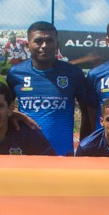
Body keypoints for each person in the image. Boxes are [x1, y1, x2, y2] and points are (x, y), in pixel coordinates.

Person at [7, 21, 92, 155]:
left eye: (49, 41)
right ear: (28, 46)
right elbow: (3, 108)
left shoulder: (73, 73)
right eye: (38, 41)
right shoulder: (15, 73)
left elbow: (87, 112)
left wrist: (85, 147)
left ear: (57, 45)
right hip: (27, 153)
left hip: (62, 154)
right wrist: (12, 113)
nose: (44, 46)